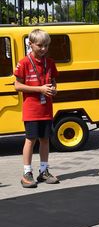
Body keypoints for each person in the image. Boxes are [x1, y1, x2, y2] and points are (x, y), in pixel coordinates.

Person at [14, 29, 60, 188]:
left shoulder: (50, 62)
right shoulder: (24, 63)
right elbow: (17, 85)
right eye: (40, 45)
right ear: (30, 44)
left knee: (45, 140)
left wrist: (54, 89)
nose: (43, 48)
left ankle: (44, 171)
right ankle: (27, 173)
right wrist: (39, 89)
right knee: (30, 140)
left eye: (46, 45)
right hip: (32, 111)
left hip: (46, 110)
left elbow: (53, 82)